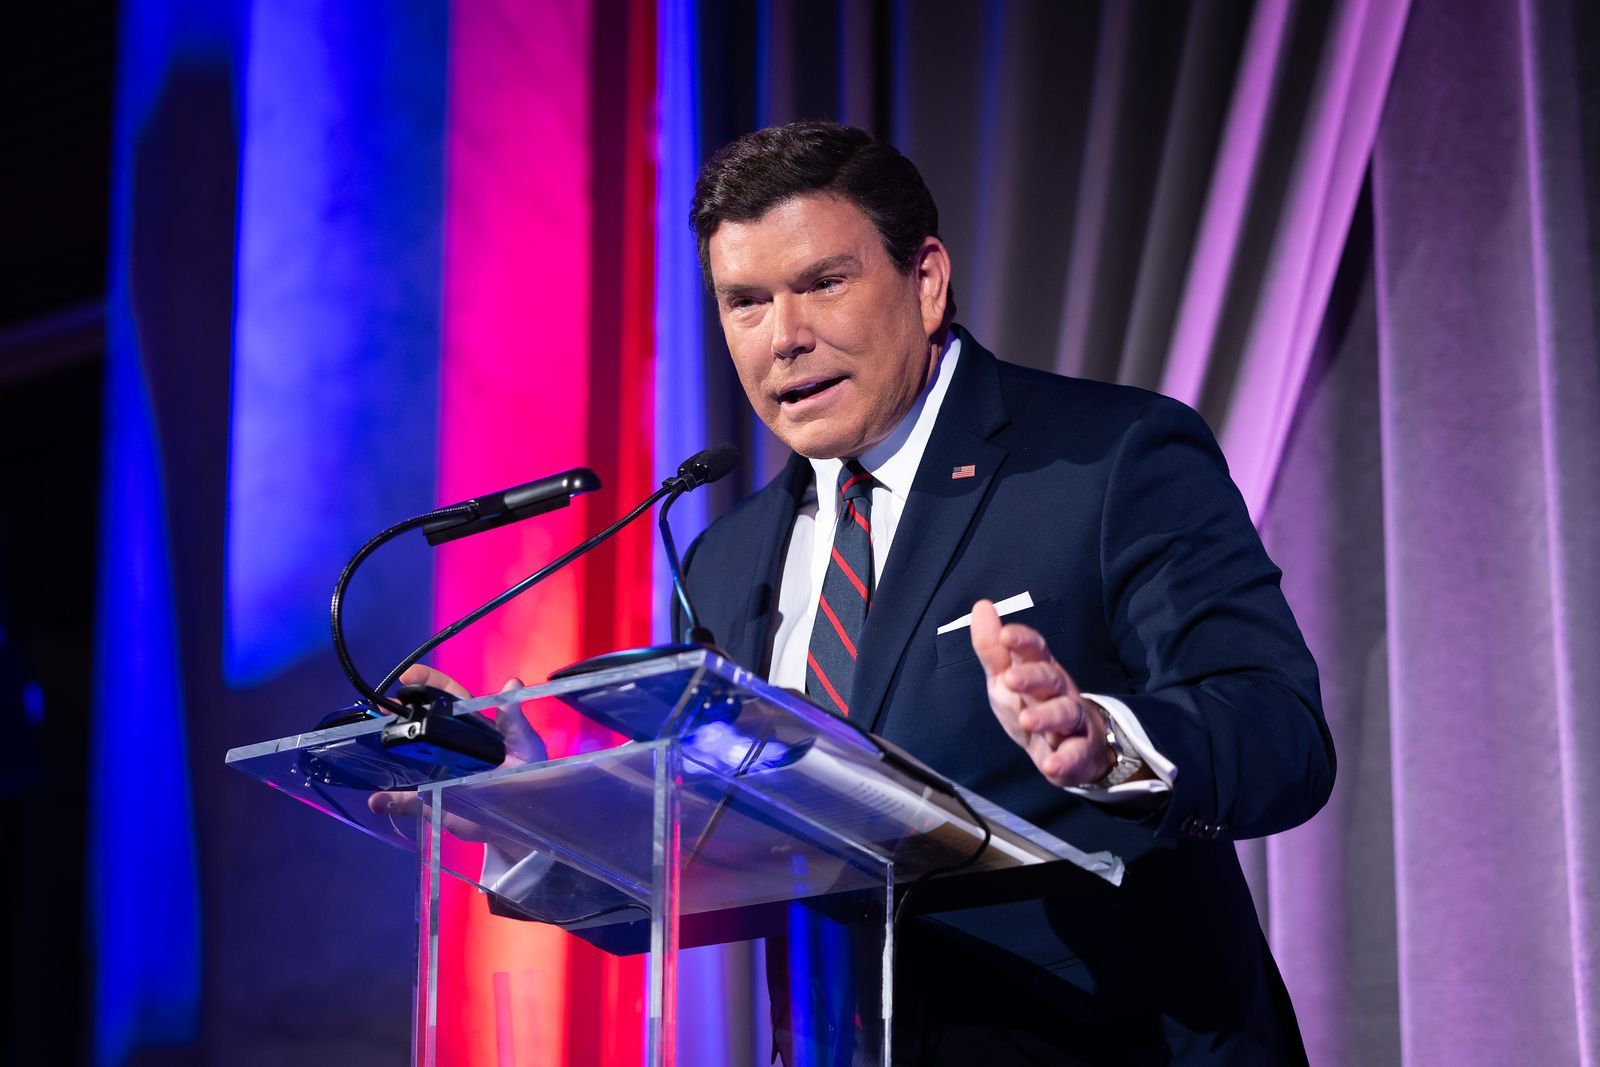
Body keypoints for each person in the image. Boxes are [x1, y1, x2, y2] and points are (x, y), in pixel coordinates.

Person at [672, 120, 1334, 1064]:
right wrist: (510, 773)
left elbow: (1280, 731)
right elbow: (718, 855)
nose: (786, 337)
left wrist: (1108, 744)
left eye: (823, 282)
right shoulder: (723, 563)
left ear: (927, 279)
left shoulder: (1110, 458)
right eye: (745, 301)